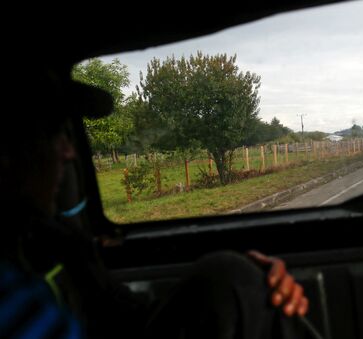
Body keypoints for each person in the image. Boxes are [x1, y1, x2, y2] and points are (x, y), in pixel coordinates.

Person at [0, 69, 309, 339]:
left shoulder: (58, 244)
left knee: (235, 281)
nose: (68, 153)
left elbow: (125, 317)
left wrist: (245, 287)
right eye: (52, 134)